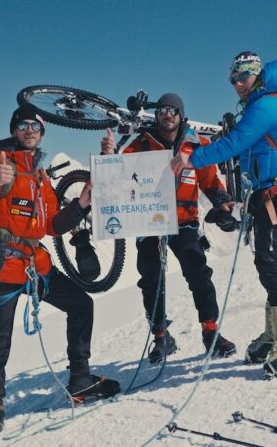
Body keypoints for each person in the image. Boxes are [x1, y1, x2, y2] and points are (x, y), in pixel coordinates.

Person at [0, 104, 120, 442]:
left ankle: (79, 379)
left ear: (42, 132)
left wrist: (82, 204)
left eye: (35, 125)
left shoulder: (39, 175)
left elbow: (51, 225)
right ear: (14, 130)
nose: (29, 130)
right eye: (23, 125)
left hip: (34, 265)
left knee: (81, 305)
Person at [170, 52, 277, 378]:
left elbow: (235, 143)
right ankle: (275, 333)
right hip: (268, 195)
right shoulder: (262, 104)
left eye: (242, 77)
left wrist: (192, 159)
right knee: (267, 259)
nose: (236, 84)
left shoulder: (267, 105)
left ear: (256, 76)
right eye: (232, 79)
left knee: (271, 261)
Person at [101, 93, 237, 363]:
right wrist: (109, 156)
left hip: (184, 221)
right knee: (151, 278)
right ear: (157, 115)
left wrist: (222, 203)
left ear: (180, 115)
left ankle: (211, 332)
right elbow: (116, 174)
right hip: (149, 222)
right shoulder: (142, 144)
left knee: (198, 273)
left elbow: (210, 182)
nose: (167, 115)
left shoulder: (196, 145)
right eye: (162, 110)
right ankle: (161, 338)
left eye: (172, 110)